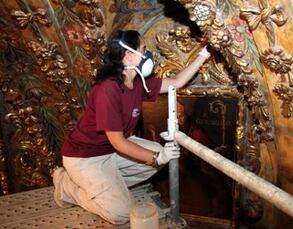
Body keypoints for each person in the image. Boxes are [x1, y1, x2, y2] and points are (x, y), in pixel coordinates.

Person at [52, 29, 211, 225]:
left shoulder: (137, 83)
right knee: (120, 213)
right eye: (143, 50)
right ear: (128, 55)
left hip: (112, 151)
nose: (147, 54)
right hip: (85, 157)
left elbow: (177, 82)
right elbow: (118, 142)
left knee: (159, 155)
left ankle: (107, 185)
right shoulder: (107, 89)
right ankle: (67, 186)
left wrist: (204, 54)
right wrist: (155, 157)